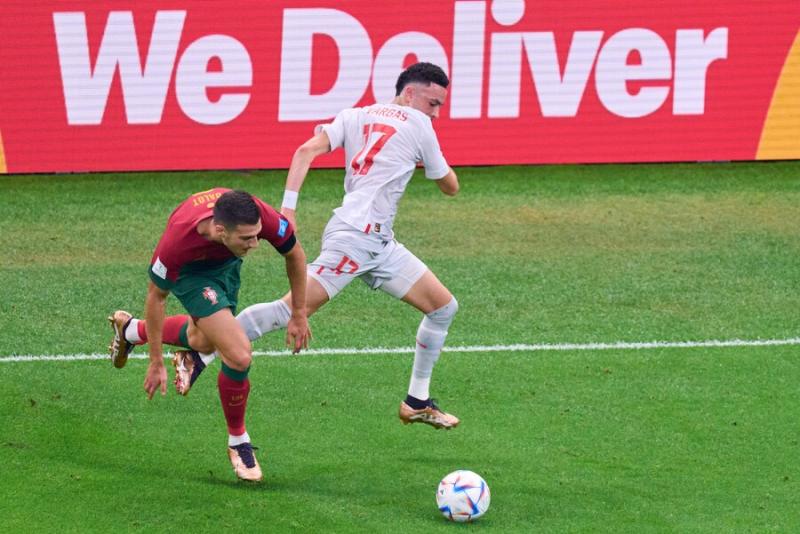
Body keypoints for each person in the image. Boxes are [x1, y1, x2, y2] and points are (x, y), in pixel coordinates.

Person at [173, 62, 461, 429]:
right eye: (433, 103)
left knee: (443, 307)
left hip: (378, 243)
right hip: (355, 240)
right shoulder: (419, 125)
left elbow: (305, 151)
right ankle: (199, 356)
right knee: (291, 310)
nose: (436, 113)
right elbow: (450, 187)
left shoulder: (355, 115)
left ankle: (417, 401)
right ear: (409, 93)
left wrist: (288, 210)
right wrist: (427, 160)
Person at [107, 188, 311, 482]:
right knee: (238, 355)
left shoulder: (257, 215)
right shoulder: (178, 241)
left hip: (226, 263)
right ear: (220, 230)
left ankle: (130, 330)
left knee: (202, 341)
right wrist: (156, 361)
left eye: (257, 235)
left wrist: (299, 312)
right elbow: (156, 297)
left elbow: (295, 253)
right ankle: (238, 442)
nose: (256, 244)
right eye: (247, 238)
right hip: (192, 274)